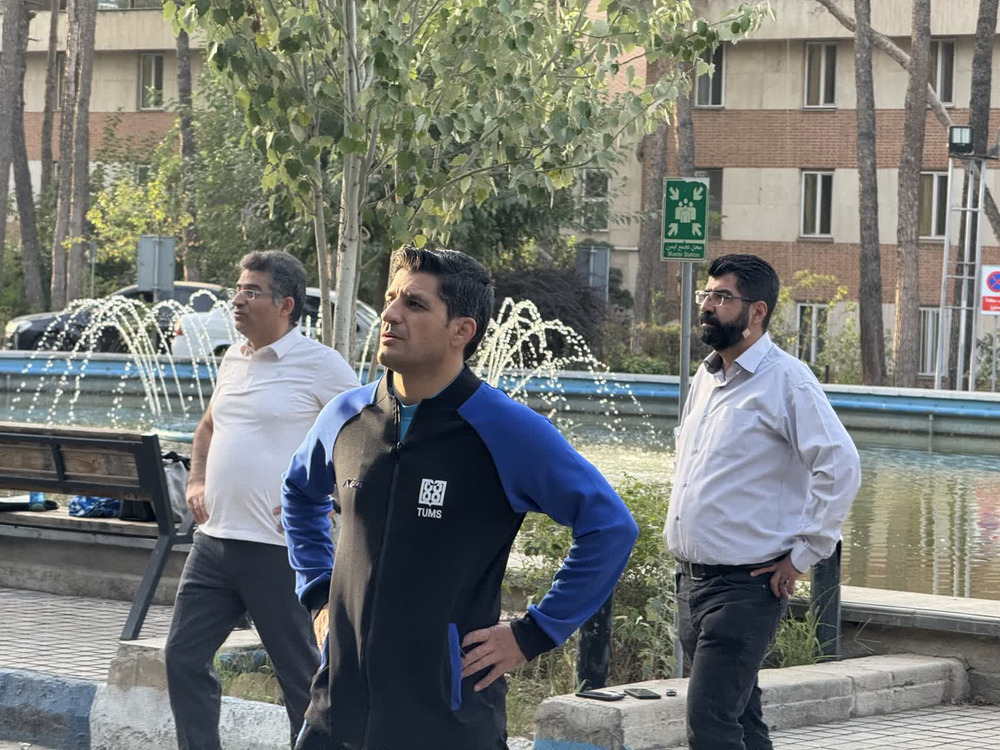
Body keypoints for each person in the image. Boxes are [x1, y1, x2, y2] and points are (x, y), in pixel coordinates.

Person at [282, 246, 639, 750]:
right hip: (336, 713)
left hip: (448, 720)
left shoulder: (505, 429)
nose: (390, 315)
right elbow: (299, 493)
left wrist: (534, 633)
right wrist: (318, 591)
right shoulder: (346, 417)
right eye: (390, 299)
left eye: (414, 304)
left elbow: (610, 527)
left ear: (461, 330)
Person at [164, 251, 361, 750]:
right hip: (213, 544)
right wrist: (196, 481)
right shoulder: (234, 357)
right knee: (182, 658)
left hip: (280, 551)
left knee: (301, 679)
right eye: (238, 288)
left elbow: (365, 438)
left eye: (251, 292)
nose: (237, 299)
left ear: (285, 304)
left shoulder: (321, 365)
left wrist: (328, 499)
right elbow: (207, 427)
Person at [665, 254, 862, 750]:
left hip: (746, 587)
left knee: (710, 725)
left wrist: (803, 555)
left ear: (757, 311)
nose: (707, 306)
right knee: (742, 721)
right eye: (706, 294)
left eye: (721, 297)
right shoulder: (707, 377)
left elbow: (839, 464)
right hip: (692, 583)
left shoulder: (787, 380)